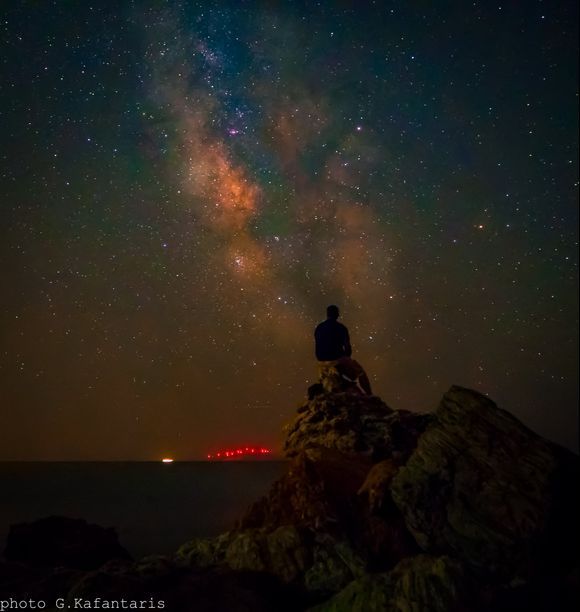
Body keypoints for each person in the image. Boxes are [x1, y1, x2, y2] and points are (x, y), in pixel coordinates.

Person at [314, 305, 372, 395]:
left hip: (322, 362)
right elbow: (347, 348)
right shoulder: (341, 328)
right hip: (337, 360)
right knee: (360, 372)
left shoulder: (319, 328)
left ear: (327, 314)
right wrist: (346, 359)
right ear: (337, 314)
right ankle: (369, 395)